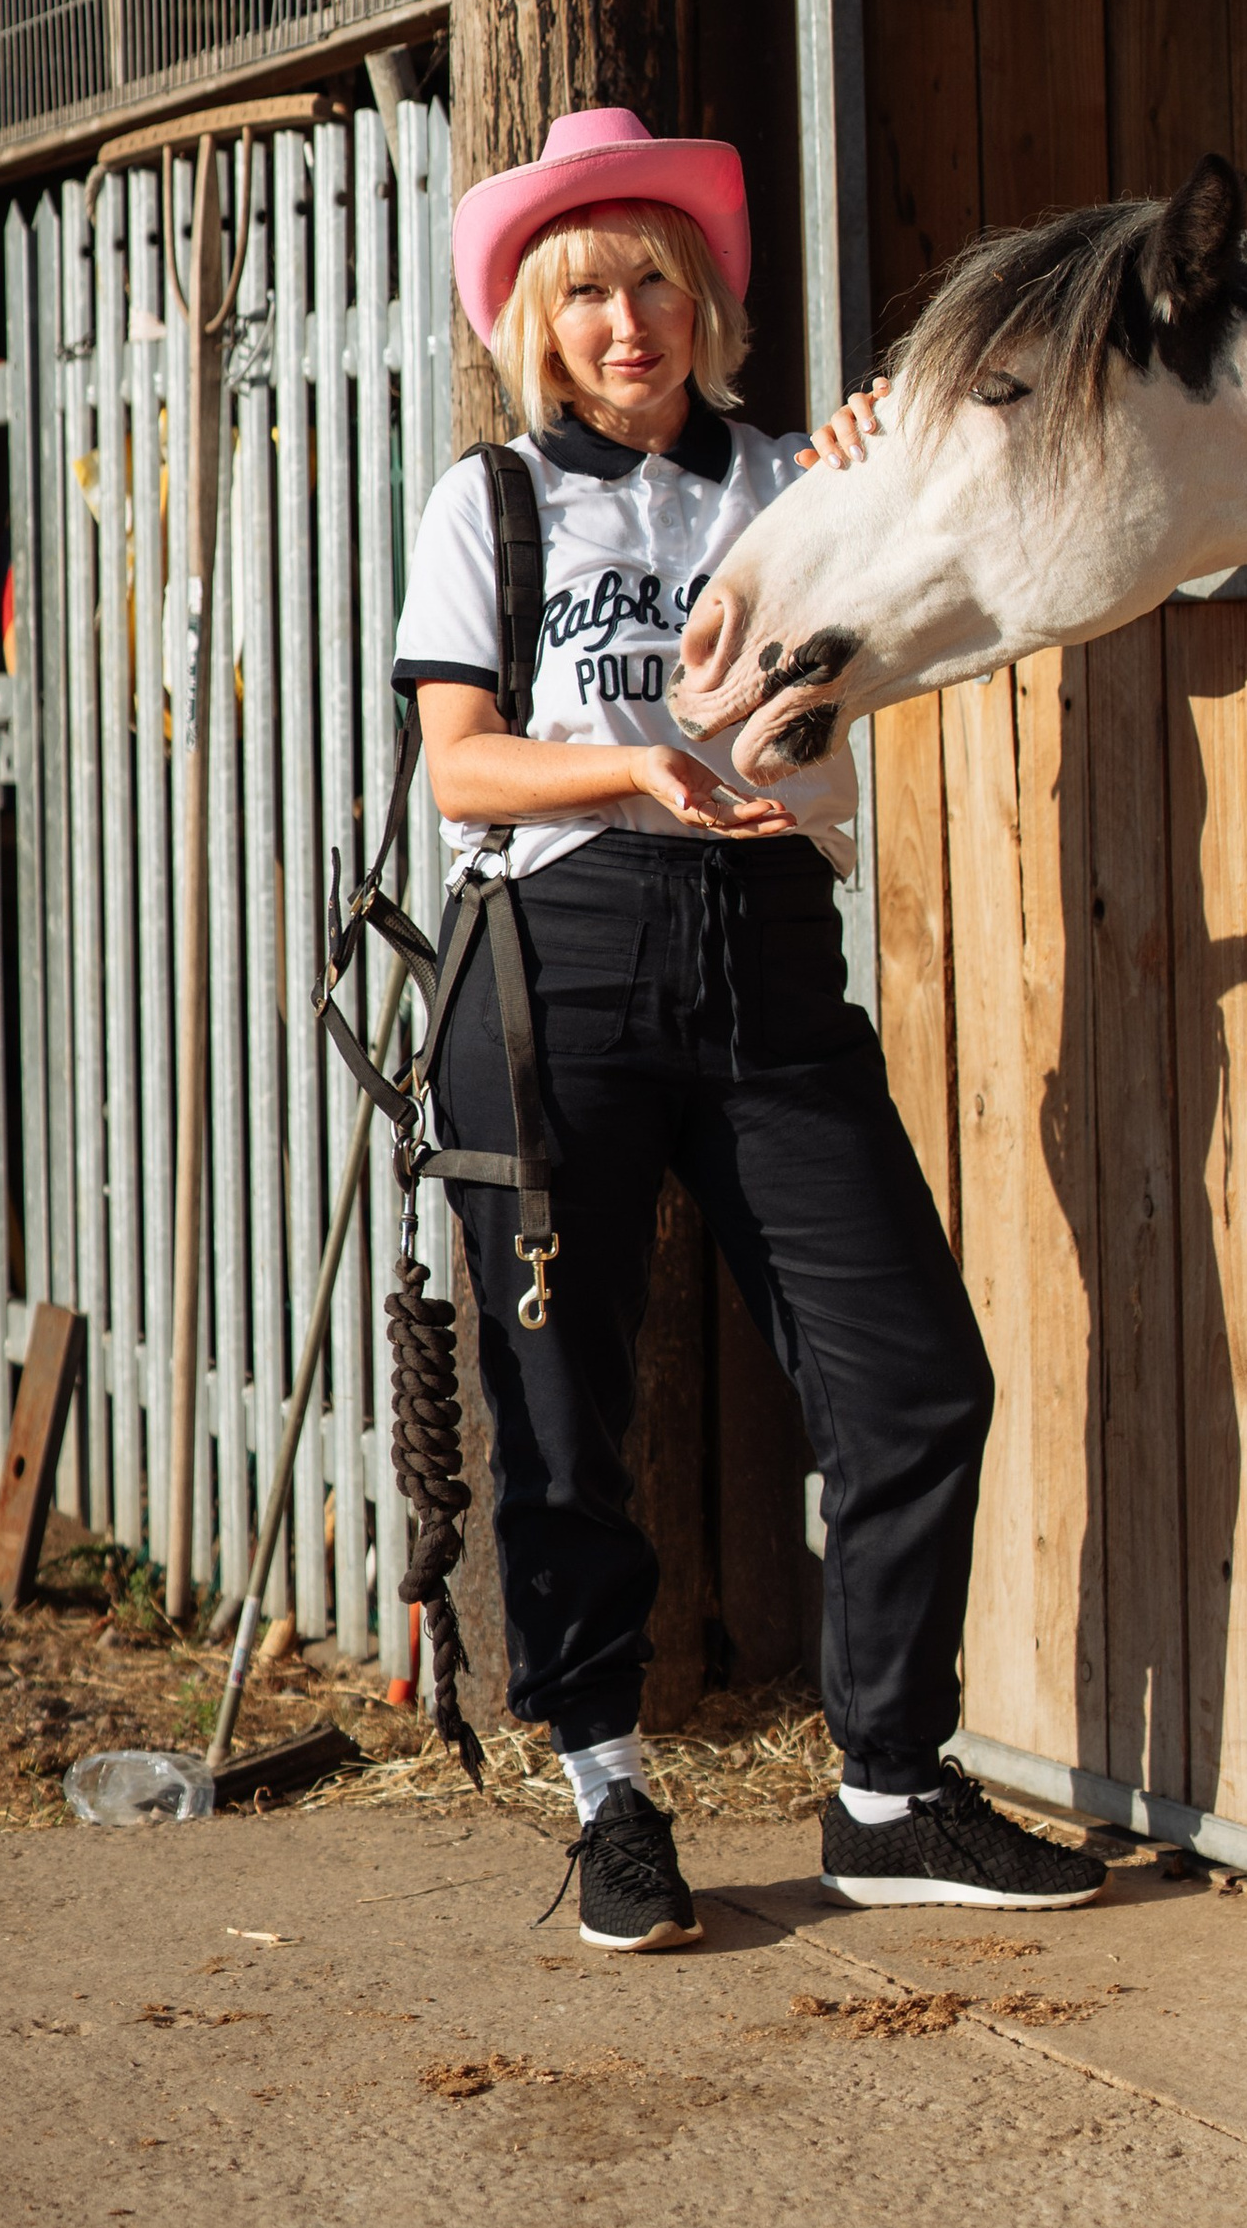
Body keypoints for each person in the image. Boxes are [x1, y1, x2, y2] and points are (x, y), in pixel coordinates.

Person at [390, 105, 1106, 1951]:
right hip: (563, 964)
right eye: (585, 296)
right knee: (564, 1410)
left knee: (913, 1375)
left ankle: (885, 1786)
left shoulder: (797, 472)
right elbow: (460, 761)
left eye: (654, 283)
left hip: (771, 954)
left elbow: (980, 512)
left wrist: (889, 438)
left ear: (705, 299)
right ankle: (611, 1791)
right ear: (539, 325)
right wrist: (633, 768)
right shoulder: (495, 502)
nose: (625, 323)